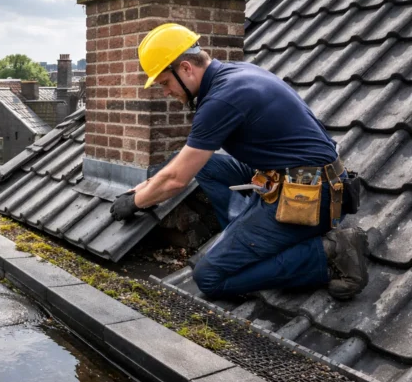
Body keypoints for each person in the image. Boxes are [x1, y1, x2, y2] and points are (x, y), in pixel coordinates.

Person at [110, 23, 369, 301]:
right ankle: (242, 237)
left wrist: (136, 203)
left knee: (209, 277)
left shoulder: (221, 99)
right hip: (302, 177)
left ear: (185, 68)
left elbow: (176, 179)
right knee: (204, 165)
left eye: (165, 83)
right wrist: (140, 190)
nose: (166, 92)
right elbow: (184, 163)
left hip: (312, 196)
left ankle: (329, 253)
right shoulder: (235, 73)